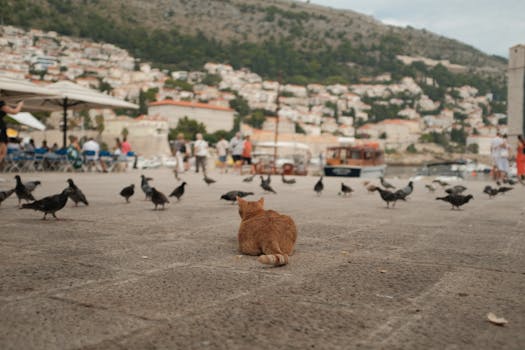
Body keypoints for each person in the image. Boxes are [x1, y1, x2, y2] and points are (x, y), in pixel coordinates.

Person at [0, 100, 23, 165]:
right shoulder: (1, 104)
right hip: (1, 130)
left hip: (2, 129)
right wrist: (20, 104)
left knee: (3, 152)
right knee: (2, 152)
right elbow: (14, 111)